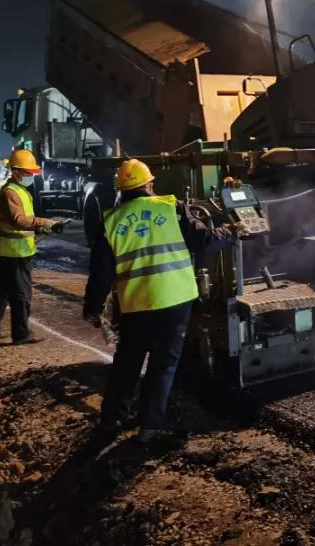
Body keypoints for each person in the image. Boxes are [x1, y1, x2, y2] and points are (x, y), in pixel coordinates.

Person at [83, 158, 233, 443]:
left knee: (127, 363)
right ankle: (149, 426)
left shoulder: (110, 222)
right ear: (149, 185)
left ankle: (111, 420)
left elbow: (100, 274)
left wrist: (93, 308)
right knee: (163, 364)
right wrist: (232, 231)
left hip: (136, 304)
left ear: (121, 190)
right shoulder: (171, 208)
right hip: (175, 299)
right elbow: (204, 241)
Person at [0, 149, 66, 344]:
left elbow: (20, 223)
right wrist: (46, 223)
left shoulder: (17, 190)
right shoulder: (12, 192)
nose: (31, 176)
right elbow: (19, 220)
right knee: (20, 294)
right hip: (14, 253)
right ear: (16, 172)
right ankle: (21, 334)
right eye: (28, 173)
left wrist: (44, 228)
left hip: (6, 251)